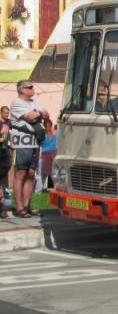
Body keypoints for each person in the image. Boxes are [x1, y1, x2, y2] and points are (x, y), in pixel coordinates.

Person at [10, 80, 49, 217]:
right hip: (23, 142)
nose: (33, 89)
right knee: (21, 174)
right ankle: (19, 208)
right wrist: (38, 114)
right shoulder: (17, 103)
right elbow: (31, 117)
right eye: (30, 87)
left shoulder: (34, 103)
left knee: (31, 174)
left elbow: (46, 114)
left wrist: (37, 113)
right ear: (22, 90)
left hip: (34, 142)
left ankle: (27, 206)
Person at [38, 119, 57, 192]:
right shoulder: (42, 135)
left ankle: (50, 188)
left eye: (49, 125)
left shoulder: (55, 135)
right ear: (45, 126)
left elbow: (56, 144)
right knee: (44, 172)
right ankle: (43, 187)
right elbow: (40, 144)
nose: (48, 127)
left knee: (52, 172)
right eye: (47, 126)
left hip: (53, 154)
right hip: (45, 154)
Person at [0, 106, 12, 218]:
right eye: (5, 113)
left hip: (6, 152)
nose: (7, 115)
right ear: (1, 113)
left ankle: (4, 209)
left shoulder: (9, 123)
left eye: (8, 113)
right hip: (1, 151)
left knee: (4, 183)